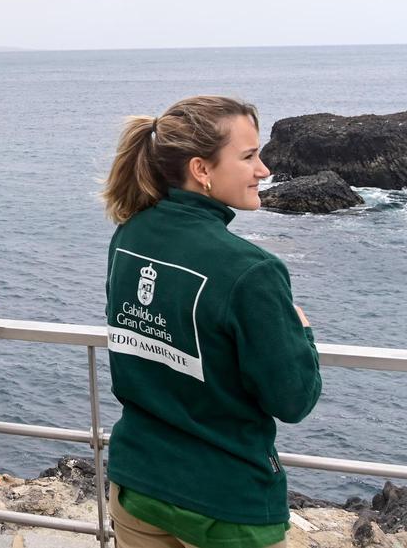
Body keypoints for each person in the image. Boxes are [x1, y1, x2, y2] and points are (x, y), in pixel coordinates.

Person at [99, 96, 322, 548]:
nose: (264, 170)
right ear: (201, 169)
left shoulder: (130, 235)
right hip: (225, 507)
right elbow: (293, 399)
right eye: (248, 156)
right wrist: (300, 332)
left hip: (138, 486)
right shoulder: (252, 270)